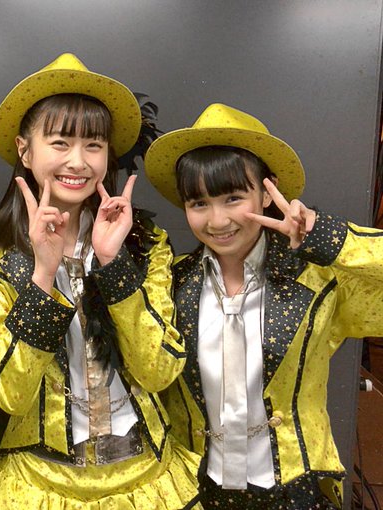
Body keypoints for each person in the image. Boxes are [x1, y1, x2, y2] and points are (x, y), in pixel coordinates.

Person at [0, 53, 201, 509]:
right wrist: (42, 275)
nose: (78, 161)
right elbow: (10, 393)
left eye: (93, 145)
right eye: (59, 143)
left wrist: (113, 266)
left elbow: (158, 371)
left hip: (146, 478)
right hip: (38, 482)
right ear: (24, 150)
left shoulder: (145, 243)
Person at [144, 102, 383, 509]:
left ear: (267, 193)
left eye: (233, 198)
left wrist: (325, 237)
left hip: (297, 489)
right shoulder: (169, 281)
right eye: (199, 203)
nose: (217, 221)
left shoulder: (319, 280)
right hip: (197, 490)